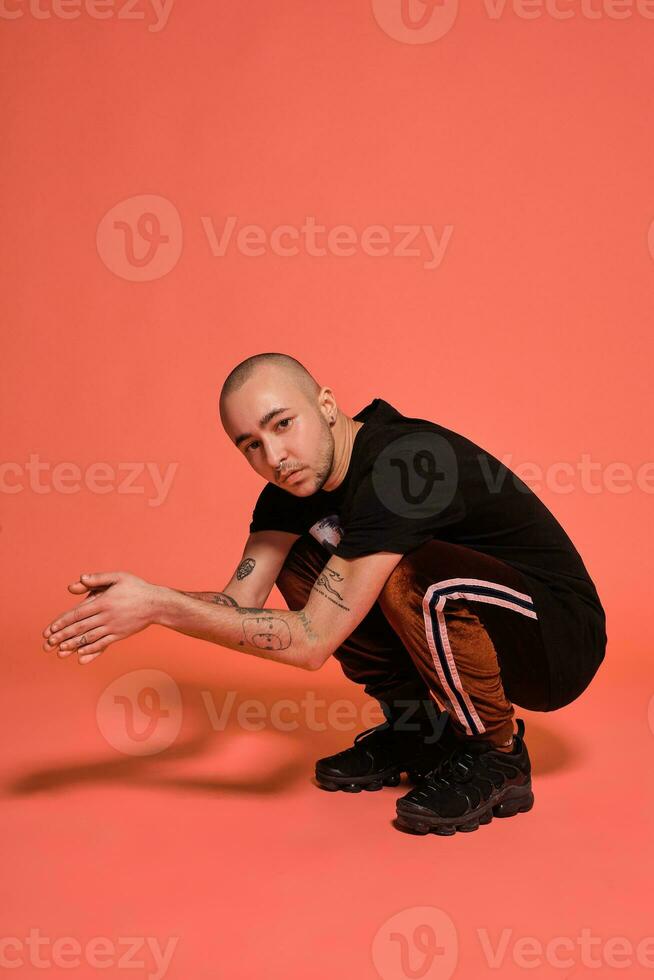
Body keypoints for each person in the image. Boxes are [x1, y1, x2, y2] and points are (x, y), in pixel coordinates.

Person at [41, 352, 607, 837]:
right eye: (251, 446)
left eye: (283, 424)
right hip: (460, 630)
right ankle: (418, 732)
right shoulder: (287, 495)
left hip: (554, 639)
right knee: (308, 559)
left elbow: (312, 640)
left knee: (417, 574)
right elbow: (239, 605)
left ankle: (497, 756)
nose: (274, 456)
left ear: (328, 406)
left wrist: (161, 606)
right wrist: (152, 601)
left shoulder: (405, 465)